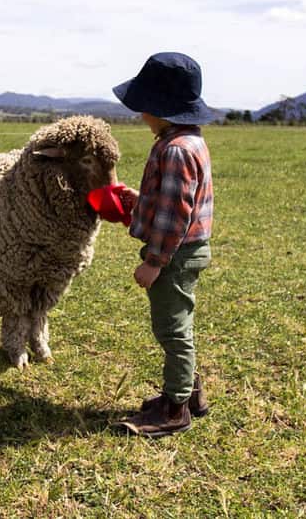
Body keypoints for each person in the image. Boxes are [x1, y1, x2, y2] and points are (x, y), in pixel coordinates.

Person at [112, 52, 215, 438]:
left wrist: (154, 262)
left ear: (161, 108)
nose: (141, 115)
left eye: (144, 107)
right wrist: (139, 203)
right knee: (179, 326)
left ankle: (175, 410)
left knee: (172, 331)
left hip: (174, 255)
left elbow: (175, 214)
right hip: (185, 251)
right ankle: (188, 394)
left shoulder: (175, 150)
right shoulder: (188, 142)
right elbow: (170, 201)